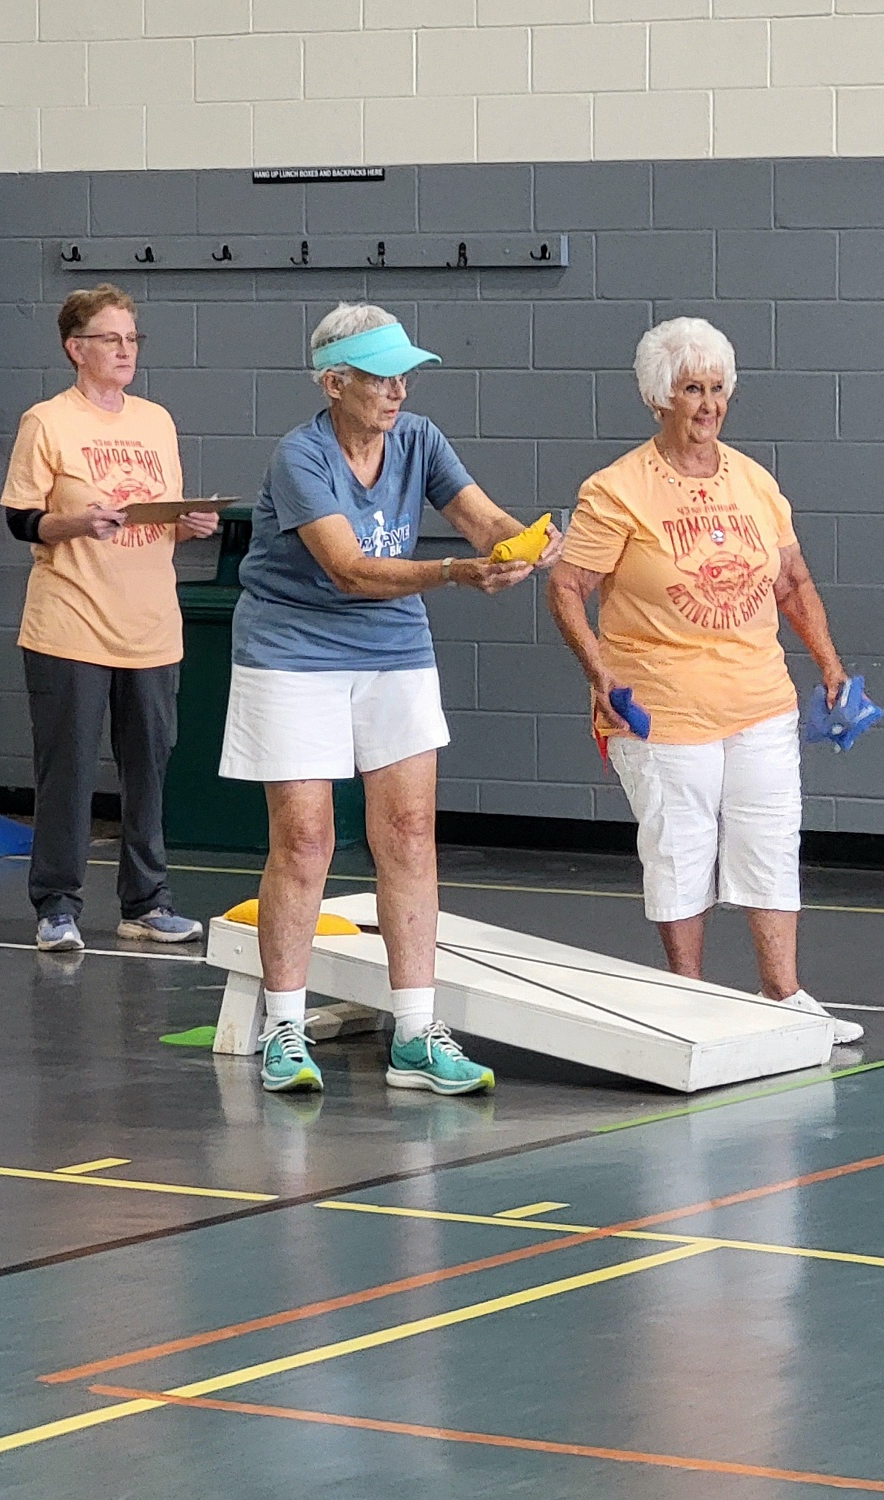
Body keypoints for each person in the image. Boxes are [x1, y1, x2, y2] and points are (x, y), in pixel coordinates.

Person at [222, 303, 559, 1096]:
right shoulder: (299, 457)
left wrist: (521, 547)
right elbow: (348, 570)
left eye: (404, 374)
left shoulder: (420, 439)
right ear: (333, 383)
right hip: (292, 650)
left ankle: (415, 1034)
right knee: (305, 839)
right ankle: (283, 1028)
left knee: (408, 833)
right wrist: (454, 573)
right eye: (380, 377)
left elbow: (481, 519)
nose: (398, 390)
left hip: (394, 649)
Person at [547, 317, 864, 1047]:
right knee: (680, 849)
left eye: (718, 388)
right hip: (659, 707)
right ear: (660, 397)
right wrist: (597, 670)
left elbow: (793, 581)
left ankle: (783, 994)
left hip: (760, 700)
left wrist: (829, 663)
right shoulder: (616, 491)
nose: (709, 404)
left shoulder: (754, 481)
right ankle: (687, 1000)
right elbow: (567, 587)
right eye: (692, 389)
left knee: (769, 843)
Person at [1, 283, 219, 952]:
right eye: (111, 339)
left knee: (149, 770)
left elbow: (160, 514)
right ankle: (57, 905)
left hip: (150, 625)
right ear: (76, 348)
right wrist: (75, 523)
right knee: (66, 772)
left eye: (132, 338)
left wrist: (189, 524)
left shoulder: (156, 421)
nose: (125, 350)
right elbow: (21, 519)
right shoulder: (48, 422)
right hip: (70, 622)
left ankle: (147, 902)